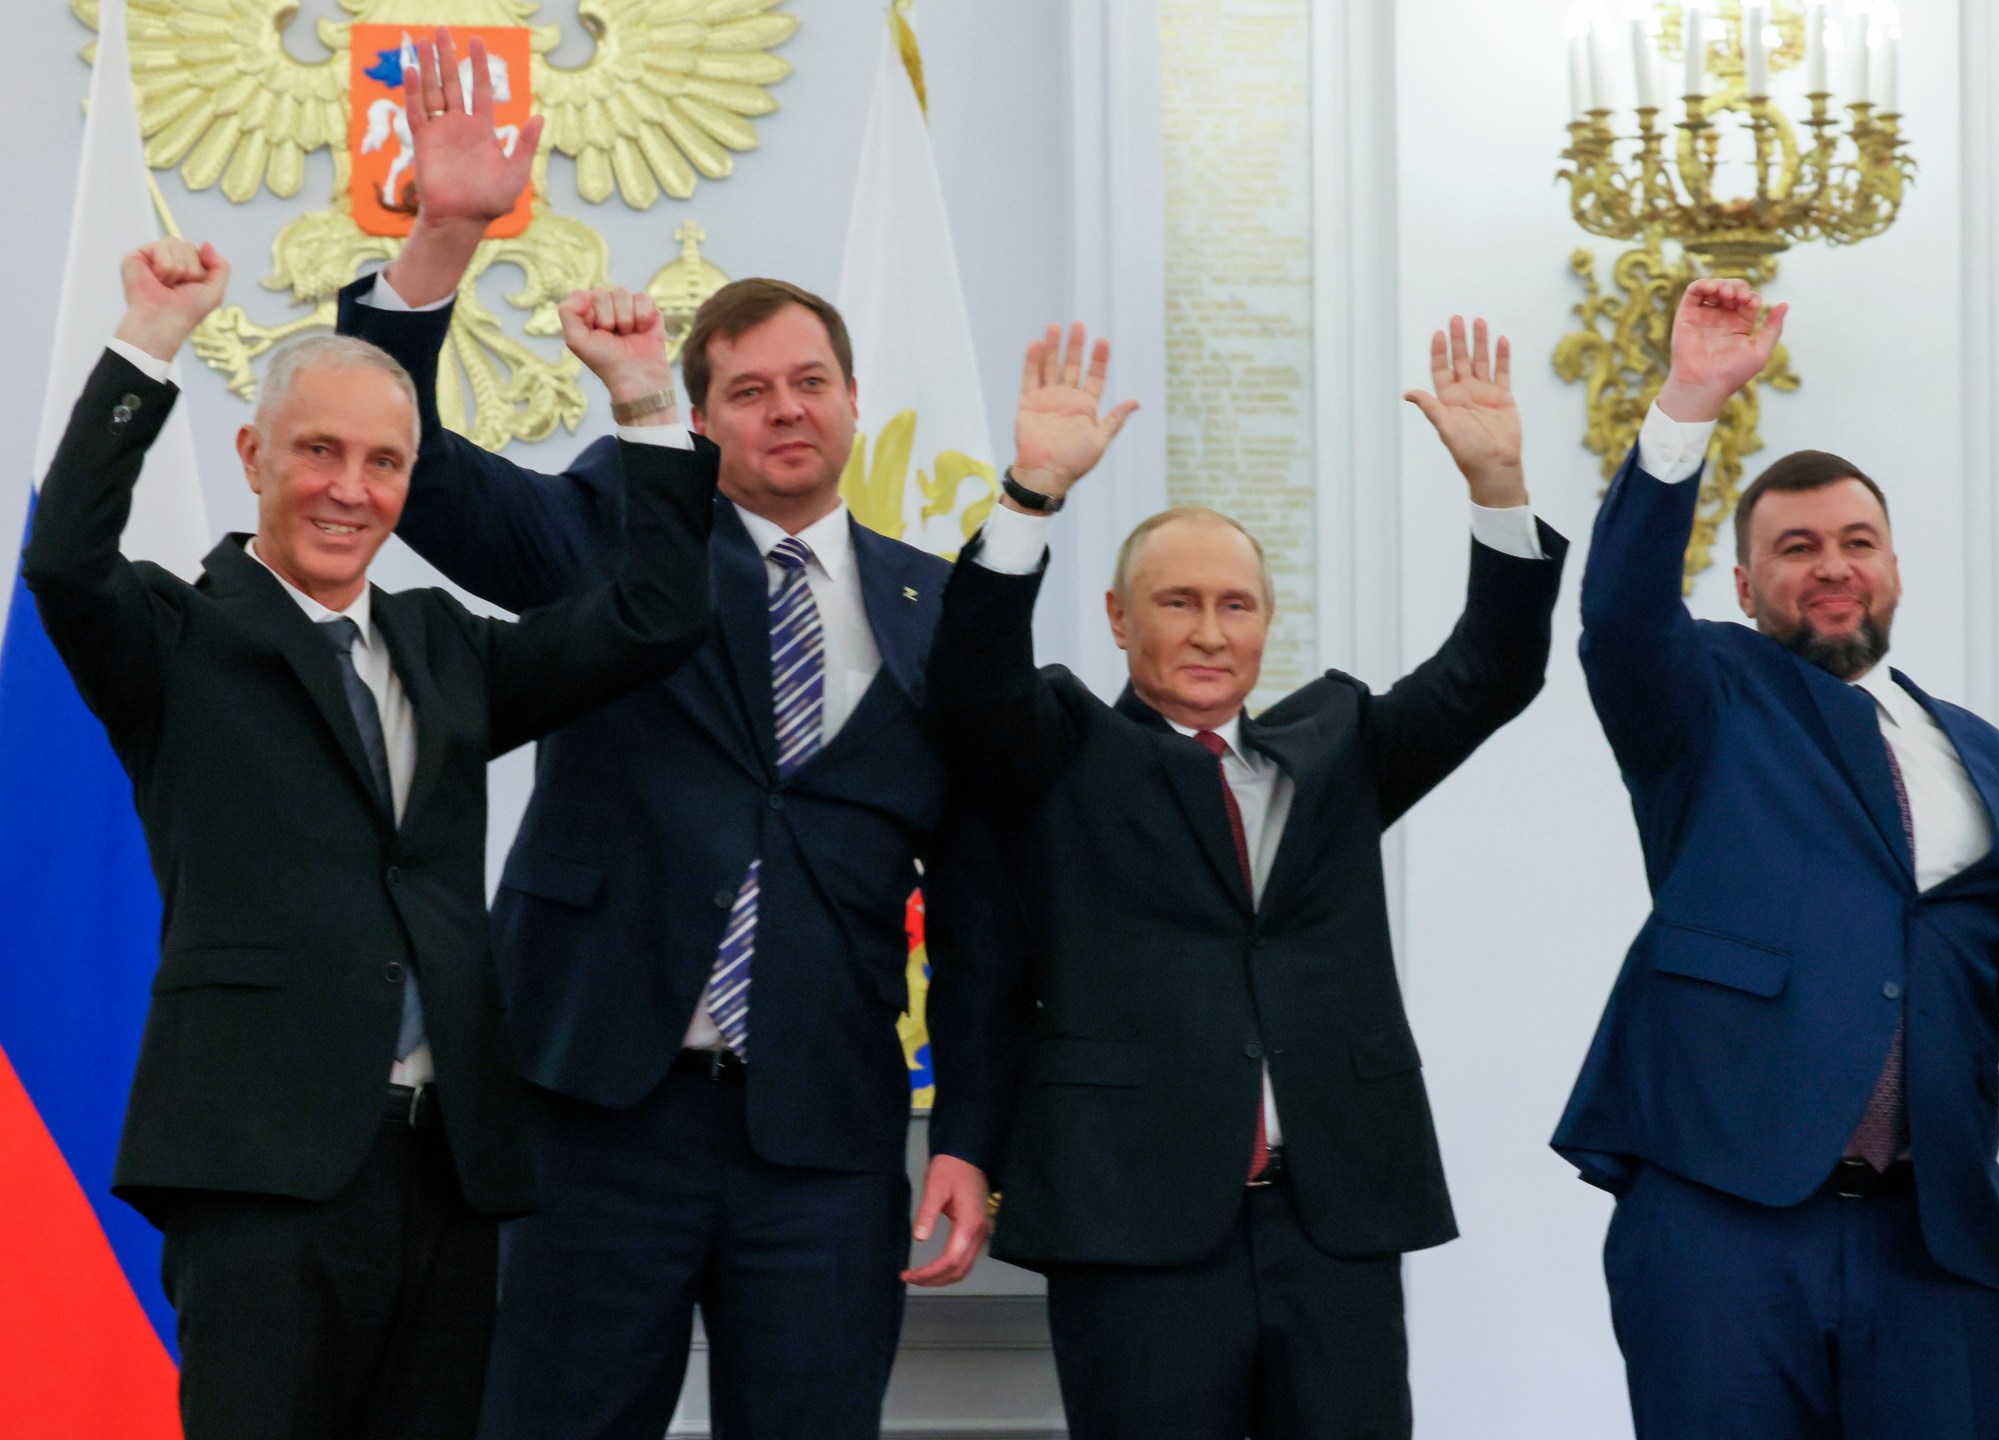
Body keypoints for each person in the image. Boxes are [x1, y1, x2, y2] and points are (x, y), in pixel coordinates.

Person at [328, 30, 1012, 1440]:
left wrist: (968, 1138)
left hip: (823, 1134)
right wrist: (442, 240)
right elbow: (425, 478)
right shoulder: (617, 533)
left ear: (854, 399)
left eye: (809, 380)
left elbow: (984, 898)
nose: (786, 409)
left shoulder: (944, 610)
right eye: (749, 391)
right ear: (698, 421)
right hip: (593, 1107)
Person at [21, 236, 714, 1439]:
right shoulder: (178, 640)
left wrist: (646, 396)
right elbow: (65, 562)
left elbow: (656, 618)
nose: (351, 489)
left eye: (384, 463)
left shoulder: (448, 649)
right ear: (253, 455)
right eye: (320, 452)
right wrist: (151, 339)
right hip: (258, 1164)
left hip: (448, 1171)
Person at [925, 314, 1565, 1439]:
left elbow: (1493, 671)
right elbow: (972, 678)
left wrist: (1497, 487)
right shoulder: (1061, 749)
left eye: (1236, 605)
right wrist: (1032, 494)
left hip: (1335, 1222)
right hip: (1135, 1220)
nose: (1210, 633)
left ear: (1268, 622)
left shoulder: (1340, 747)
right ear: (1119, 618)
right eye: (1177, 603)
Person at [1552, 279, 1999, 1439]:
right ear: (1743, 585)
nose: (1831, 566)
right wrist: (1690, 399)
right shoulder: (1705, 700)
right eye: (1795, 548)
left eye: (1857, 543)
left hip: (1935, 1236)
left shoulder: (1988, 758)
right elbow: (1621, 612)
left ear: (1894, 568)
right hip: (1721, 1221)